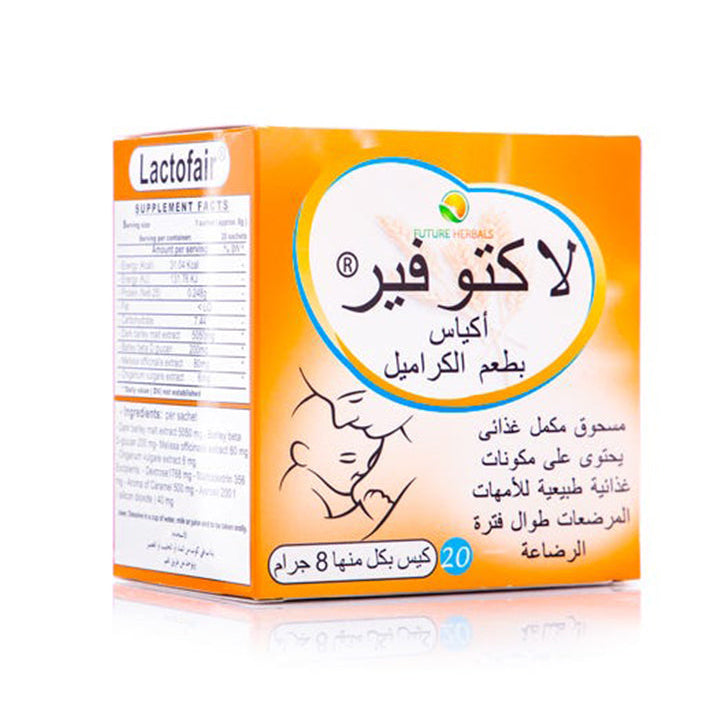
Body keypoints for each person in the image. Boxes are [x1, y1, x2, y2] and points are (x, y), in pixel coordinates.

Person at [279, 394, 392, 539]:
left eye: (372, 460)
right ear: (303, 454)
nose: (364, 470)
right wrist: (367, 515)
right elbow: (318, 533)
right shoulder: (301, 485)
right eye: (348, 460)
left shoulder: (346, 484)